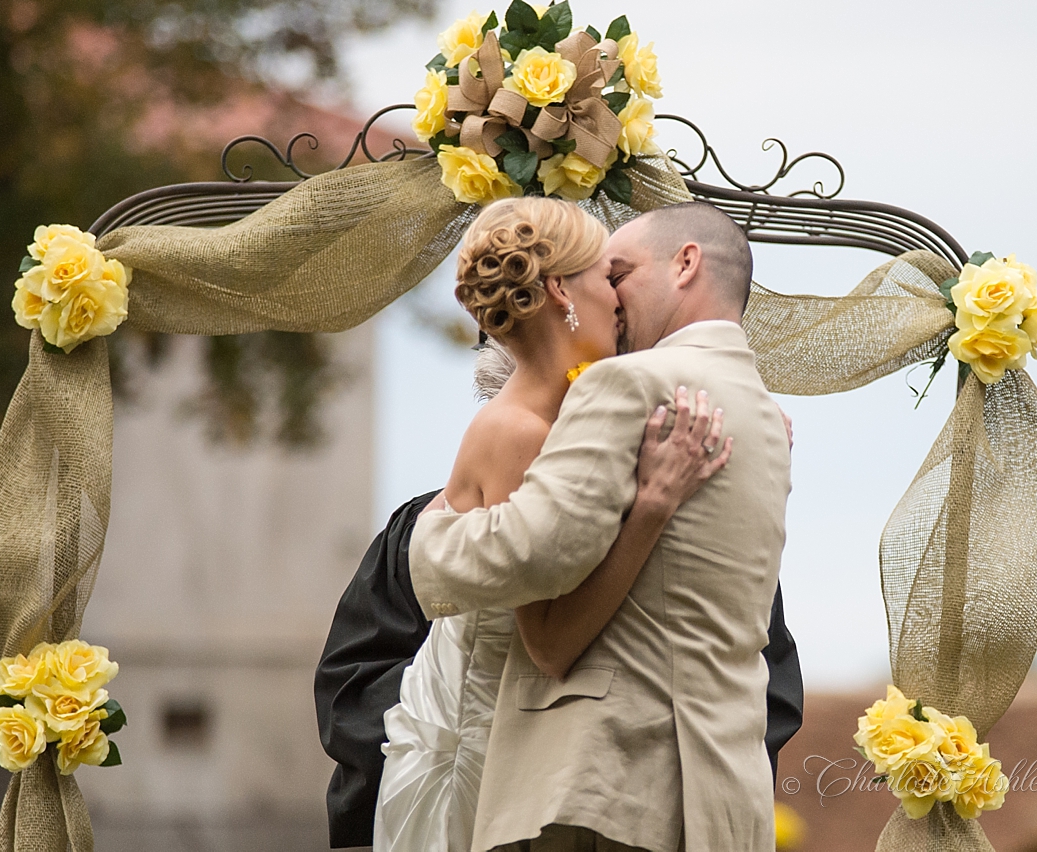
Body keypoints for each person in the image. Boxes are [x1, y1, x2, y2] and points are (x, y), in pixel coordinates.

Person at [312, 338, 805, 849]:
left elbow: (759, 682)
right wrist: (432, 745)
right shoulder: (434, 526)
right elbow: (356, 681)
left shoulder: (693, 542)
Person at [364, 197, 748, 852]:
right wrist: (653, 505)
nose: (622, 301)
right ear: (562, 291)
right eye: (610, 278)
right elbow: (550, 644)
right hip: (488, 749)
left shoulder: (566, 420)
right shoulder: (518, 432)